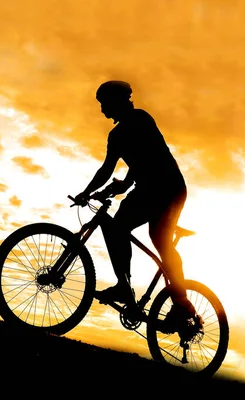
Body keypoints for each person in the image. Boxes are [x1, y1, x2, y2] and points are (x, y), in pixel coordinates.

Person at [73, 80, 196, 332]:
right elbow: (110, 168)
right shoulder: (116, 135)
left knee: (146, 235)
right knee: (132, 232)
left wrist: (115, 186)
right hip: (152, 188)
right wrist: (109, 187)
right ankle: (135, 289)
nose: (102, 110)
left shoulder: (140, 119)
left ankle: (175, 300)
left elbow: (148, 156)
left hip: (166, 186)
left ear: (117, 100)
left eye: (104, 103)